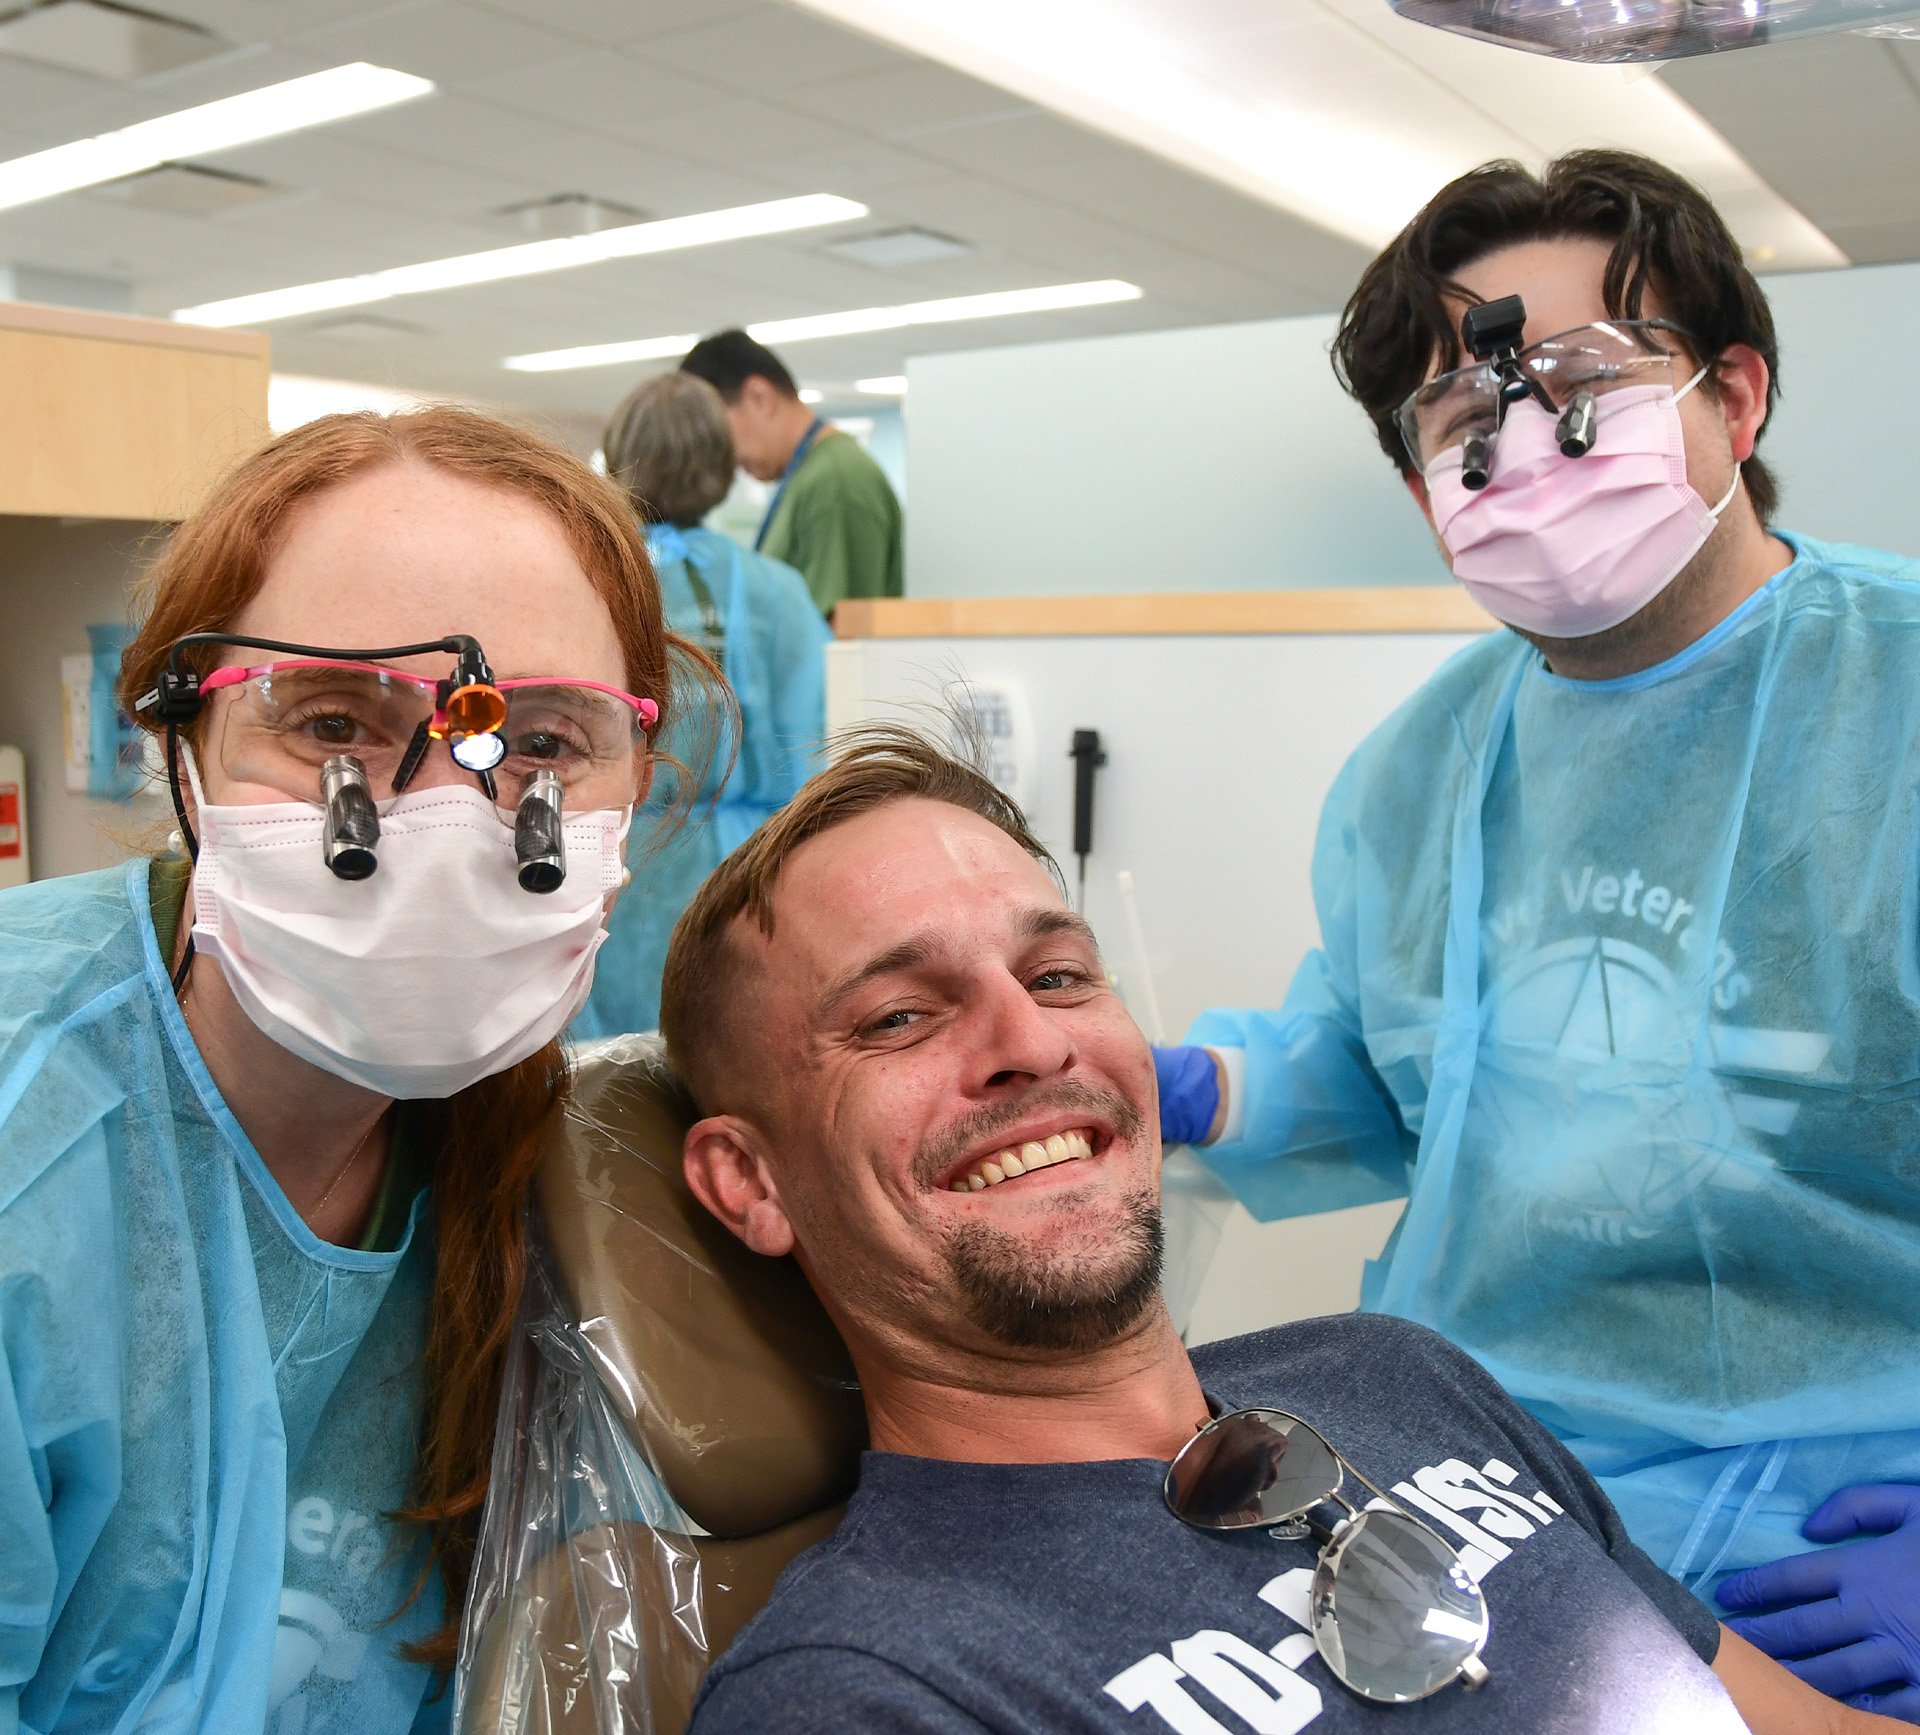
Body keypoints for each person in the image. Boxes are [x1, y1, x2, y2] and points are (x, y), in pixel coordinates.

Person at [655, 727, 1898, 1735]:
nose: (1032, 1044)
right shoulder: (874, 1682)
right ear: (748, 1181)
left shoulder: (1396, 1372)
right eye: (897, 1018)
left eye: (1060, 975)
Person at [1150, 149, 1920, 1720]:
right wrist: (1199, 1086)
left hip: (1847, 1508)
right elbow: (1405, 1078)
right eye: (1459, 421)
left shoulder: (1894, 709)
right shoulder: (1413, 778)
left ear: (1738, 399)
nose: (1526, 441)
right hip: (1488, 1475)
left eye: (1577, 380)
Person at [0, 407, 698, 1732]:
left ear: (636, 777)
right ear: (184, 751)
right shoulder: (27, 1138)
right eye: (331, 719)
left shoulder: (567, 1164)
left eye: (535, 742)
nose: (444, 816)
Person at [572, 371, 829, 1036]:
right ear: (721, 463)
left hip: (617, 855)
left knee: (608, 1082)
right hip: (750, 866)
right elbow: (809, 749)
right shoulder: (778, 590)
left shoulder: (591, 584)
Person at [679, 328, 904, 617]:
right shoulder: (809, 476)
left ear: (759, 397)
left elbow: (833, 634)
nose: (721, 455)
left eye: (717, 431)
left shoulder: (834, 479)